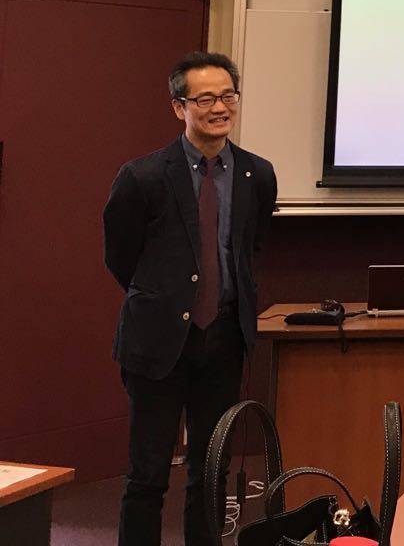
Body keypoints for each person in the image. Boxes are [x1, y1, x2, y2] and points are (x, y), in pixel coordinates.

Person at [103, 51, 277, 546]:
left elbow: (250, 247)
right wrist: (167, 300)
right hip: (157, 342)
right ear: (179, 107)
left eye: (228, 96)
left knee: (211, 470)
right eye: (205, 99)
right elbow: (121, 257)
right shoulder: (143, 176)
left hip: (223, 340)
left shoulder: (257, 174)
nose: (219, 108)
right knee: (148, 476)